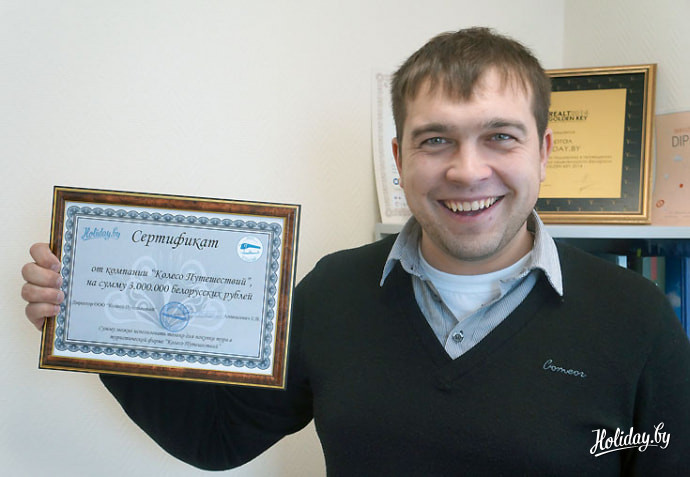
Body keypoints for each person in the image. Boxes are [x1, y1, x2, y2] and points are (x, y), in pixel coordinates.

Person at [21, 27, 690, 475]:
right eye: (435, 140)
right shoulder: (333, 294)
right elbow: (218, 437)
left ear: (543, 152)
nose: (467, 170)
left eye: (500, 137)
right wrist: (100, 321)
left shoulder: (636, 317)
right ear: (399, 158)